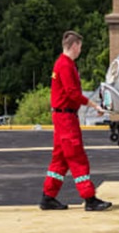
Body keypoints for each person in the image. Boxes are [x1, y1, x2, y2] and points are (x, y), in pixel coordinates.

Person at [40, 30, 112, 211]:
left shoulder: (62, 64)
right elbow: (73, 93)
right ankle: (89, 198)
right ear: (74, 46)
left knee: (60, 159)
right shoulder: (66, 65)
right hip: (66, 118)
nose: (80, 50)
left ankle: (48, 196)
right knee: (77, 156)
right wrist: (94, 106)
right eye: (80, 46)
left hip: (61, 116)